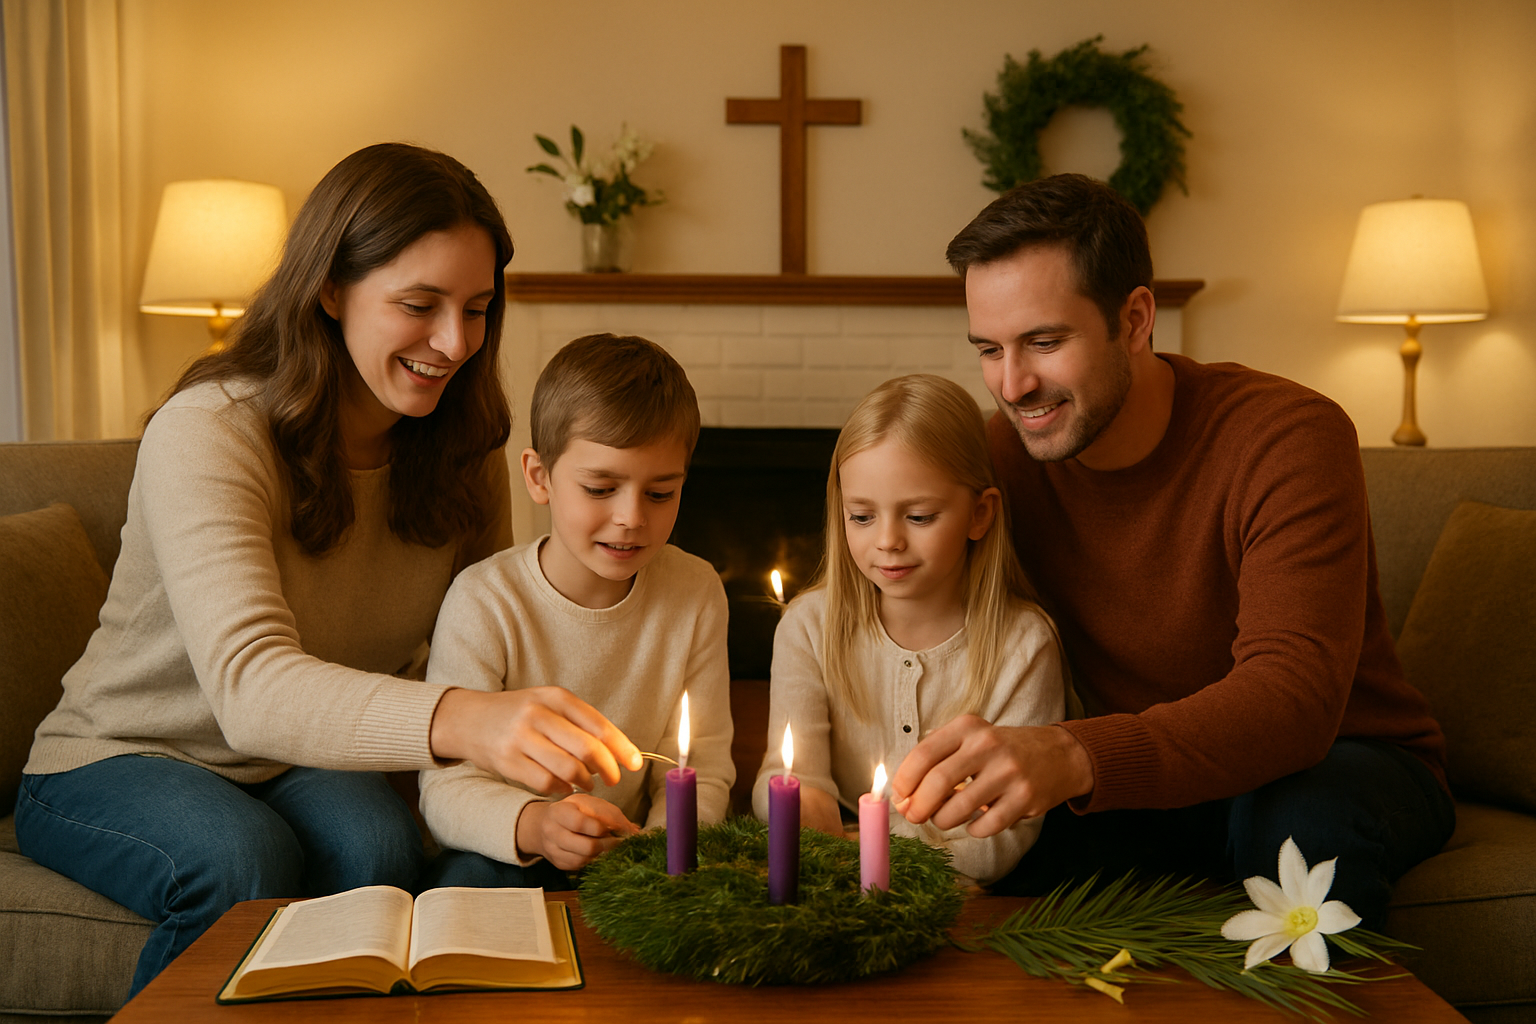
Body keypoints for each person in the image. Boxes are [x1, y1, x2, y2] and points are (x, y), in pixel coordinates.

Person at [14, 144, 640, 996]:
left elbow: (493, 635)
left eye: (477, 307)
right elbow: (251, 688)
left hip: (301, 762)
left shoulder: (461, 449)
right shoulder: (210, 431)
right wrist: (470, 719)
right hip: (122, 755)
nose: (454, 342)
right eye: (419, 304)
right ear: (330, 287)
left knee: (381, 853)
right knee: (243, 858)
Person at [891, 173, 1453, 927]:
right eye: (989, 349)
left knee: (1298, 833)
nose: (1012, 384)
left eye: (1044, 342)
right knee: (1003, 857)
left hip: (1345, 760)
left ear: (1136, 318)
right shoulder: (1002, 460)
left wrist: (1072, 753)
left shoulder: (1287, 436)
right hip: (1160, 779)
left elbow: (1294, 700)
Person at [417, 333, 734, 888]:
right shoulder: (484, 600)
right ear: (539, 477)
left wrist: (662, 850)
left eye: (660, 494)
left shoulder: (696, 591)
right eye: (600, 488)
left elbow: (701, 767)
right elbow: (445, 790)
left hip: (634, 856)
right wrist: (537, 826)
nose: (631, 518)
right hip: (504, 852)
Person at [753, 374, 1069, 886]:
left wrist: (881, 846)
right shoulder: (807, 628)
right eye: (861, 516)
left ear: (979, 513)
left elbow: (1002, 838)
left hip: (967, 904)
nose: (888, 542)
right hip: (830, 876)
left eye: (919, 516)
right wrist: (804, 813)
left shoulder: (1024, 645)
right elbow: (788, 774)